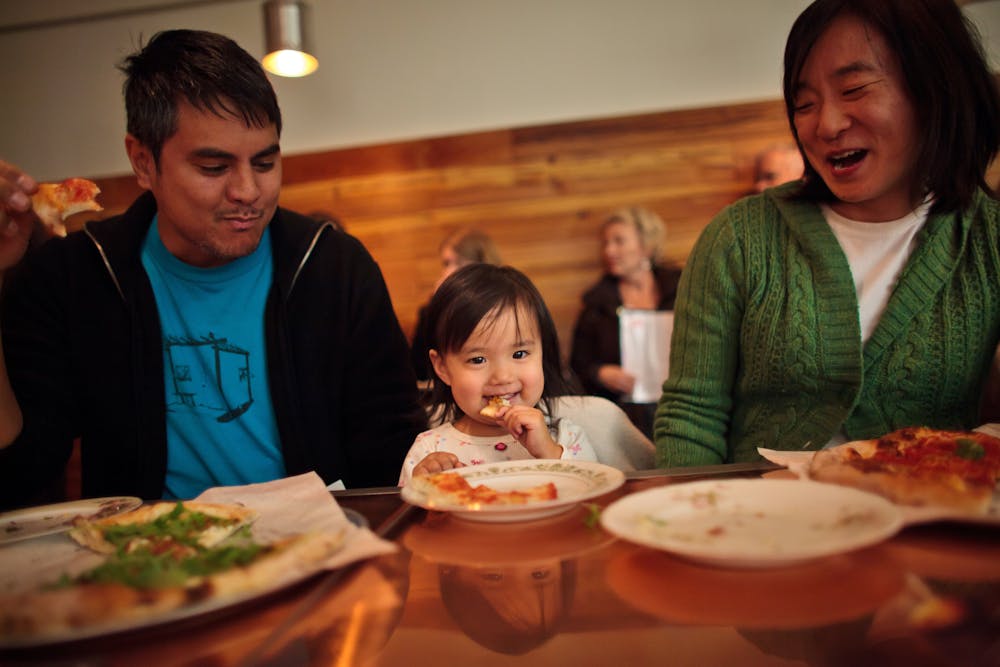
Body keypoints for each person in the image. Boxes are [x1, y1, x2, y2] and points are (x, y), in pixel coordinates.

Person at [0, 29, 426, 507]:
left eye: (264, 163)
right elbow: (21, 469)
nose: (248, 191)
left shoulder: (336, 270)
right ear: (143, 162)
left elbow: (396, 456)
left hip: (317, 555)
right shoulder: (76, 276)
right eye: (213, 168)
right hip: (150, 563)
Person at [654, 0, 1000, 467]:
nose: (827, 125)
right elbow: (691, 416)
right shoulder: (738, 239)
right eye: (804, 104)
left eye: (854, 89)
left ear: (933, 88)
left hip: (929, 520)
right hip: (760, 524)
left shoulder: (987, 239)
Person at [398, 263, 596, 485]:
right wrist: (424, 489)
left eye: (519, 353)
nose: (502, 377)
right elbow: (409, 517)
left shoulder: (565, 437)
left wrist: (549, 452)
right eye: (478, 359)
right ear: (443, 368)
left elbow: (594, 499)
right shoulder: (429, 450)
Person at [569, 207, 682, 439]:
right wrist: (600, 373)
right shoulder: (596, 303)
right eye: (606, 243)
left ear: (646, 245)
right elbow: (576, 365)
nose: (609, 250)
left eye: (619, 241)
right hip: (624, 417)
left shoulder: (683, 290)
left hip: (682, 405)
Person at [410, 227, 502, 383]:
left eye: (459, 263)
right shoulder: (430, 309)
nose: (449, 272)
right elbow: (420, 369)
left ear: (482, 264)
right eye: (446, 264)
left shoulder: (506, 304)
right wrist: (437, 307)